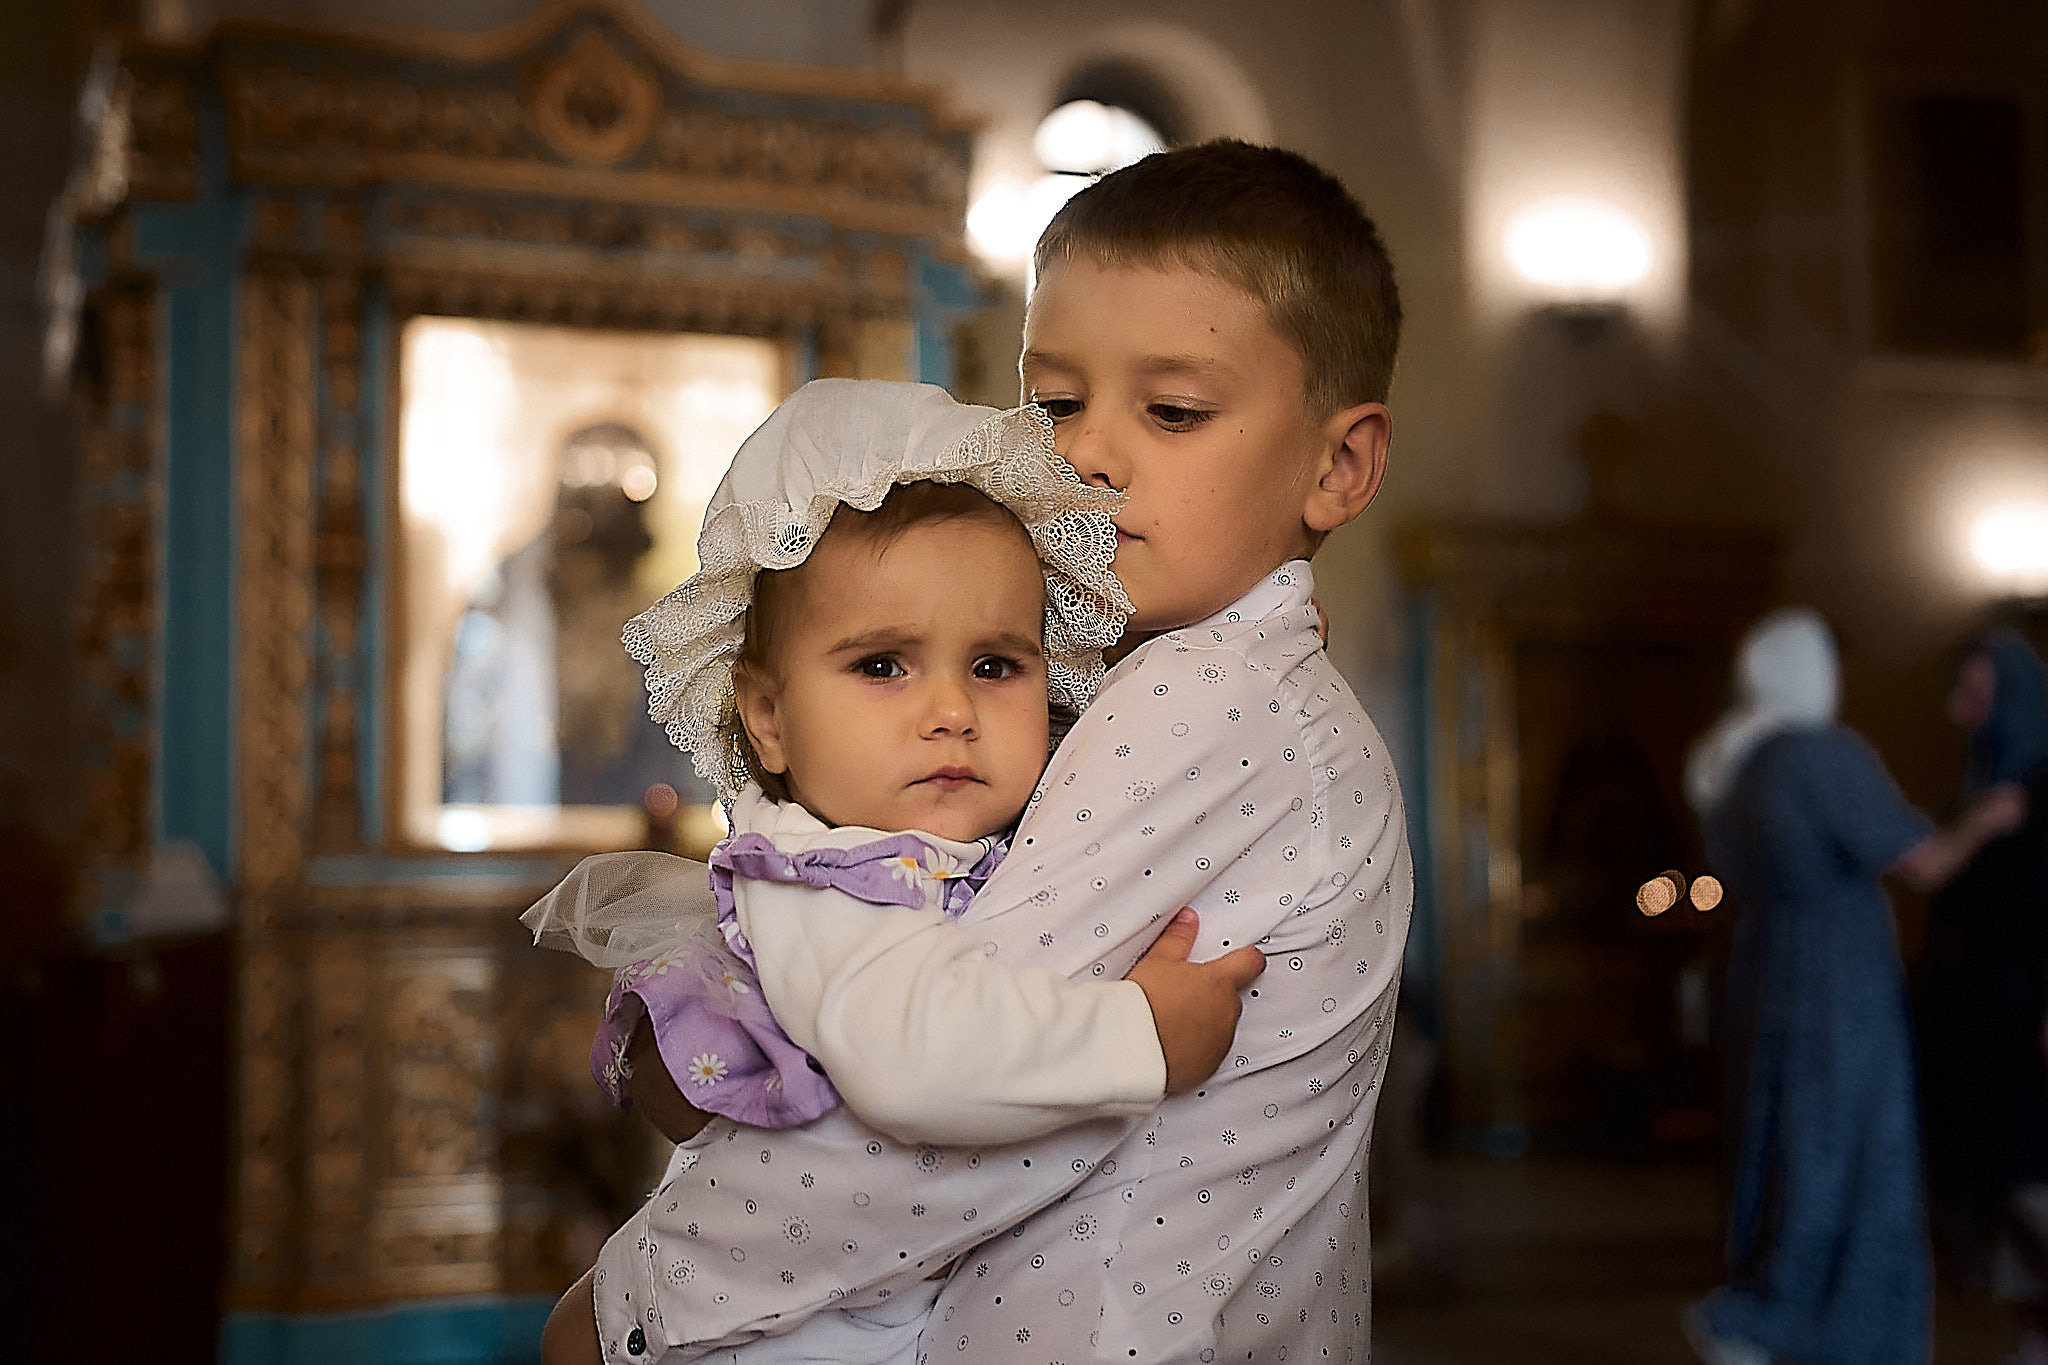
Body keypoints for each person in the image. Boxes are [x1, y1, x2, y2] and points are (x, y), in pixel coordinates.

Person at [548, 139, 1412, 1365]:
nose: (1093, 454)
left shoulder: (1204, 710)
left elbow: (934, 1136)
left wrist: (632, 1310)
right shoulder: (1157, 694)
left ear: (1338, 463)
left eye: (1171, 411)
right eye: (1055, 401)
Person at [530, 378, 1266, 1364]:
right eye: (882, 665)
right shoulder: (822, 884)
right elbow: (917, 1061)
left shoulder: (940, 844)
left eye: (996, 665)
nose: (951, 711)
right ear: (767, 718)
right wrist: (1142, 1036)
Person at [1681, 609, 2025, 1365]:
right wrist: (1989, 819)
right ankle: (1808, 1325)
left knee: (1780, 1141)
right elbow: (1926, 862)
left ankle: (1764, 1308)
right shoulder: (1819, 754)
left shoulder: (1735, 760)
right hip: (1839, 976)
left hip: (1765, 967)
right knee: (1847, 1146)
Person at [1918, 629, 2048, 1358]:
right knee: (2006, 1181)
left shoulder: (2042, 788)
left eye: (1977, 691)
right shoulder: (1982, 789)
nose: (1961, 708)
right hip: (1988, 1019)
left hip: (2031, 1016)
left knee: (2036, 1182)